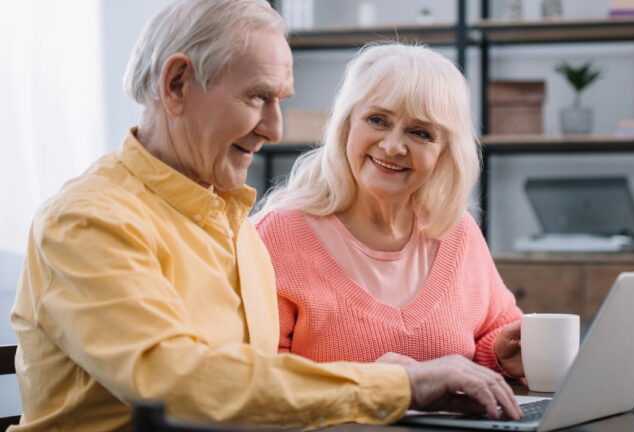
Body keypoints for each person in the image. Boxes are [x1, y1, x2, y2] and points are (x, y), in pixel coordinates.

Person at [10, 1, 523, 430]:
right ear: (177, 84)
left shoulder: (231, 223)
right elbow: (172, 380)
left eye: (280, 101)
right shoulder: (88, 222)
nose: (275, 129)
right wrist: (400, 383)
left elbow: (264, 380)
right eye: (258, 97)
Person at [255, 43, 525, 378]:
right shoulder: (278, 234)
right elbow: (259, 376)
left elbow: (492, 332)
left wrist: (500, 353)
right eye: (378, 120)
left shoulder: (458, 232)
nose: (393, 146)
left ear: (445, 152)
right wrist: (375, 381)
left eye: (420, 132)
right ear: (346, 125)